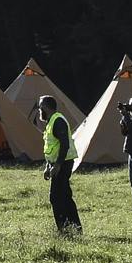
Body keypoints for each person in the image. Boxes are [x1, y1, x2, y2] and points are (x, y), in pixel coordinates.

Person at [39, 96, 83, 238]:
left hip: (63, 163)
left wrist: (57, 165)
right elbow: (52, 146)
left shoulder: (58, 121)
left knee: (56, 197)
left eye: (40, 107)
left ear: (45, 107)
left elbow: (65, 145)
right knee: (65, 195)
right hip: (57, 163)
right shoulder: (51, 121)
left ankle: (63, 229)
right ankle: (75, 227)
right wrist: (48, 165)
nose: (39, 110)